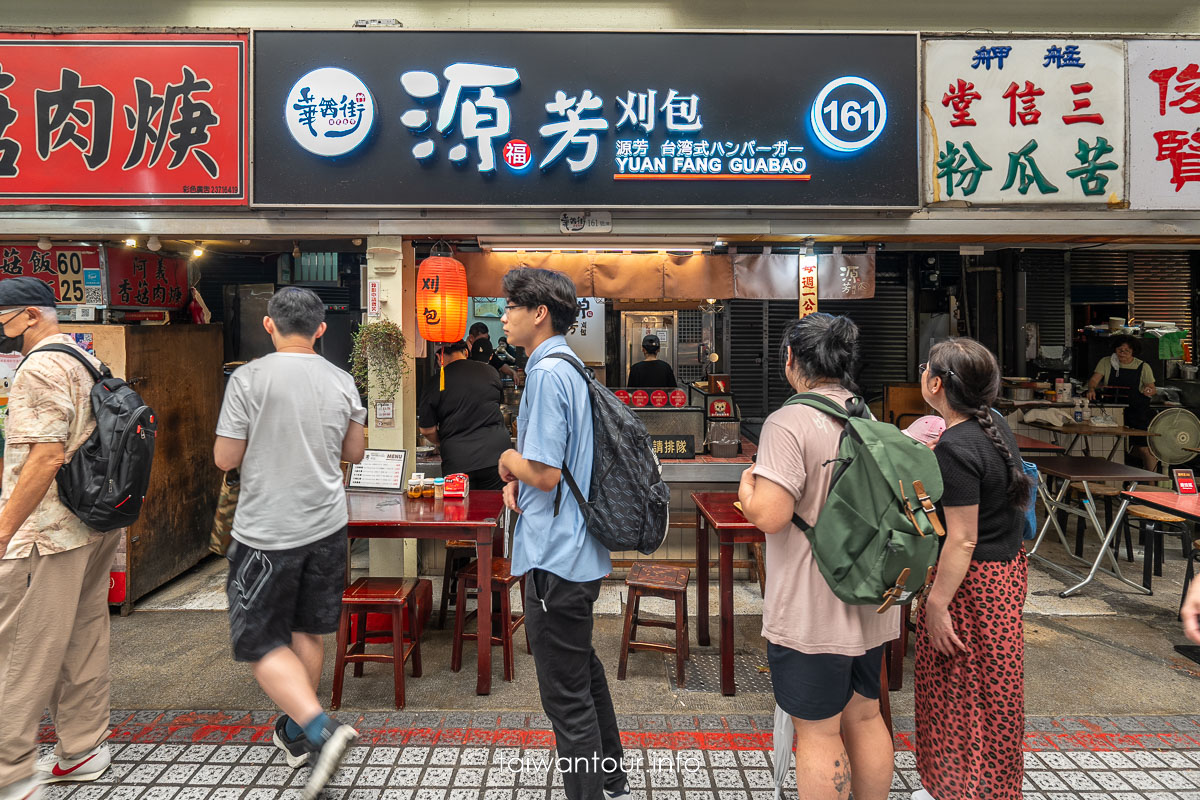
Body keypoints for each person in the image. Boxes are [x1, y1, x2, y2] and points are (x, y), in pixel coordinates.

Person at [213, 287, 366, 800]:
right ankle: (298, 732)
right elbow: (356, 451)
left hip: (266, 532)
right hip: (326, 526)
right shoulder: (342, 380)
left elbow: (225, 458)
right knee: (309, 629)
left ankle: (320, 730)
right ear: (321, 329)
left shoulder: (249, 379)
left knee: (257, 640)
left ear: (268, 325)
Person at [737, 313, 896, 800]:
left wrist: (747, 486)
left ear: (791, 359)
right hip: (870, 597)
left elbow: (770, 515)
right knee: (866, 716)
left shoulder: (789, 421)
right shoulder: (867, 416)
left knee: (820, 732)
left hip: (812, 607)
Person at [496, 267, 627, 800]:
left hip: (555, 560)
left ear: (538, 313)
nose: (503, 316)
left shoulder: (548, 373)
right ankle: (611, 776)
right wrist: (520, 484)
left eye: (510, 307)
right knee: (583, 669)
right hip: (574, 551)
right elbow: (554, 472)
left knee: (564, 694)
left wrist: (509, 459)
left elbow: (546, 473)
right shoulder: (571, 368)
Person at [0, 278, 116, 800]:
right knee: (80, 636)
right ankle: (84, 748)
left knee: (21, 647)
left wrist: (4, 529)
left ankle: (11, 767)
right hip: (93, 522)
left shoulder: (40, 367)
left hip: (47, 532)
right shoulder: (83, 359)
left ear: (27, 316)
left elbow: (45, 456)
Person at [913, 338, 1032, 800]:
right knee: (994, 688)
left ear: (936, 383)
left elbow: (962, 537)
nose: (923, 373)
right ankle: (990, 787)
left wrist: (937, 604)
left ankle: (959, 789)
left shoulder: (956, 447)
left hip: (971, 584)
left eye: (926, 368)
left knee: (959, 690)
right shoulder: (997, 426)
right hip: (1004, 574)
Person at [419, 339, 511, 490]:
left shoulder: (435, 382)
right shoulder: (490, 372)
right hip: (495, 456)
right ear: (466, 352)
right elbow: (497, 404)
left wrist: (446, 442)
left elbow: (427, 430)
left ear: (438, 357)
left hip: (458, 460)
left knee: (459, 510)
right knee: (493, 509)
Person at [1086, 334, 1157, 470]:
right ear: (1115, 350)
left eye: (1127, 351)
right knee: (1116, 446)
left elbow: (1152, 388)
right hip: (1114, 411)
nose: (1122, 353)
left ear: (1133, 352)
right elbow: (1094, 380)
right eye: (1120, 350)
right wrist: (1091, 389)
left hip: (1137, 412)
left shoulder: (1143, 366)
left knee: (1144, 449)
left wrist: (1149, 390)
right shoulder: (1107, 362)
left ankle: (1152, 483)